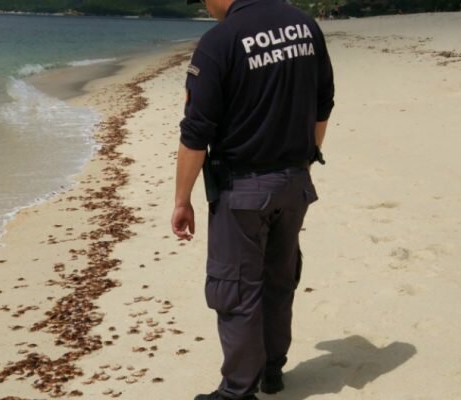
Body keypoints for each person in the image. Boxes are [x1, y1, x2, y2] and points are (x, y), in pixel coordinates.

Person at [171, 0, 335, 399]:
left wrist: (182, 199)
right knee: (279, 280)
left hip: (243, 188)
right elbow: (323, 103)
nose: (206, 7)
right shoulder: (303, 25)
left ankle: (238, 390)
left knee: (238, 291)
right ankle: (272, 371)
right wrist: (305, 162)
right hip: (294, 181)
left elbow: (196, 132)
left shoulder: (219, 42)